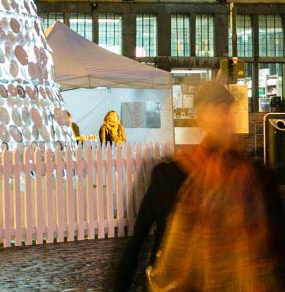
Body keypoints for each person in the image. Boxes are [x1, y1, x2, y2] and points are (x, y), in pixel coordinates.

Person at [113, 80, 285, 291]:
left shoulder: (259, 178)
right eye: (214, 110)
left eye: (227, 110)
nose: (223, 118)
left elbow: (275, 246)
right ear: (200, 116)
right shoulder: (169, 175)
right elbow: (137, 243)